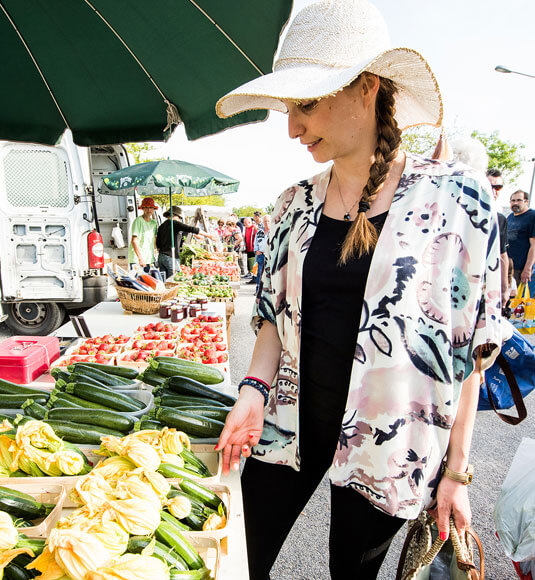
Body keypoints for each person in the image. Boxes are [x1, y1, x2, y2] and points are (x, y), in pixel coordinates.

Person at [215, 1, 502, 578]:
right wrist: (251, 389)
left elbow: (472, 352)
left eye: (306, 106)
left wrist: (457, 474)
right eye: (289, 109)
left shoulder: (457, 201)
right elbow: (272, 317)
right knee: (237, 558)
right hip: (288, 422)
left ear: (367, 88)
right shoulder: (293, 204)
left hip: (390, 447)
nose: (293, 128)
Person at [156, 206, 215, 278]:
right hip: (171, 257)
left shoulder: (161, 226)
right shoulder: (175, 223)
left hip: (161, 257)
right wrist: (209, 235)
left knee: (164, 280)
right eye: (179, 218)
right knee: (174, 279)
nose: (179, 220)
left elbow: (157, 243)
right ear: (175, 216)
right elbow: (192, 229)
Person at [486, 168, 510, 307]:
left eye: (498, 187)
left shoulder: (499, 219)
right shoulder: (461, 211)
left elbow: (502, 256)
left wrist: (504, 289)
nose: (494, 191)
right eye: (490, 186)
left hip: (487, 280)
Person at [507, 189, 535, 295]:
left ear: (526, 201)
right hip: (509, 269)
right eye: (512, 201)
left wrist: (527, 269)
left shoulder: (532, 216)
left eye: (519, 200)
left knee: (518, 305)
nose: (515, 203)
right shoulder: (510, 217)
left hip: (521, 270)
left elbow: (534, 245)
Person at [128, 197, 158, 271]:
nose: (149, 210)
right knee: (138, 281)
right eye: (146, 207)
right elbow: (134, 240)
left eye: (151, 207)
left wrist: (156, 251)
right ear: (143, 209)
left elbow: (154, 239)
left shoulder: (154, 223)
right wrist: (140, 258)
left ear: (154, 209)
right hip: (137, 259)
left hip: (149, 258)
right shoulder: (138, 221)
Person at [253, 214, 270, 293]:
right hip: (261, 254)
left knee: (269, 273)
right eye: (265, 221)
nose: (266, 223)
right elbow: (255, 242)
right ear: (262, 222)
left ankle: (267, 291)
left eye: (268, 221)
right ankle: (258, 290)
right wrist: (257, 250)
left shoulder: (273, 231)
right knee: (259, 272)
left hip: (270, 256)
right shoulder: (260, 231)